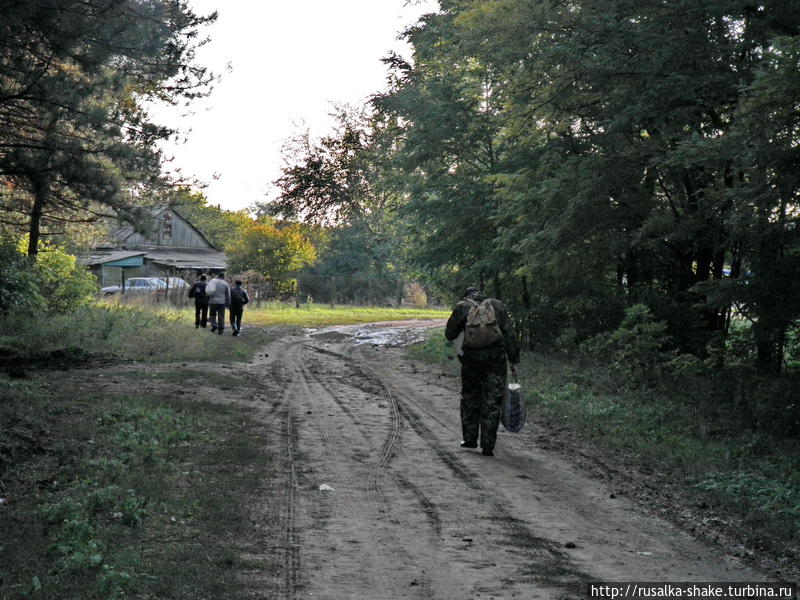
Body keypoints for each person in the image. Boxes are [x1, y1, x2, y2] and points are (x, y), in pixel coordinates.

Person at [445, 287, 520, 457]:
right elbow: (510, 335)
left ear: (466, 296)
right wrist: (514, 360)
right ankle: (488, 446)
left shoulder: (462, 307)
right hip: (496, 359)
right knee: (493, 400)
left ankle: (470, 439)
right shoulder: (498, 306)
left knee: (471, 396)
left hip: (471, 360)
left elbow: (449, 334)